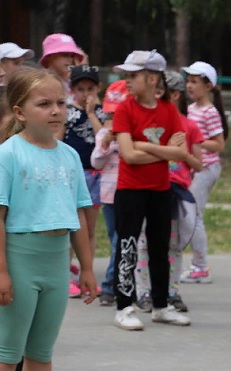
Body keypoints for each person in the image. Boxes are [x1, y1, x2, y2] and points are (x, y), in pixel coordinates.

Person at [0, 68, 97, 371]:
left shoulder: (70, 155)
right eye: (44, 104)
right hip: (20, 258)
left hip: (57, 262)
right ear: (20, 112)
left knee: (41, 351)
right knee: (8, 351)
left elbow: (80, 213)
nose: (56, 110)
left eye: (60, 102)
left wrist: (86, 268)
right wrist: (2, 272)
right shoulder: (8, 154)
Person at [110, 50, 191, 331]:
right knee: (128, 247)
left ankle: (161, 306)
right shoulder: (125, 109)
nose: (128, 81)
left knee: (159, 248)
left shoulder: (168, 110)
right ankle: (124, 306)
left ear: (152, 78)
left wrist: (144, 145)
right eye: (127, 75)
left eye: (133, 75)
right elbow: (128, 155)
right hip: (130, 190)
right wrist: (164, 151)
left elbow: (181, 153)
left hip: (160, 189)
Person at [133, 72, 204, 314]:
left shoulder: (189, 126)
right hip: (149, 186)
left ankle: (171, 292)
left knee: (173, 244)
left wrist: (181, 154)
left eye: (162, 94)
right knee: (145, 243)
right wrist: (163, 151)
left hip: (176, 191)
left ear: (174, 95)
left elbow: (198, 164)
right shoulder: (149, 122)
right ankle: (144, 292)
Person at [179, 61, 228, 284]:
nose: (189, 86)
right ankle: (195, 263)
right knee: (189, 215)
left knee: (194, 216)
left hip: (206, 168)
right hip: (194, 168)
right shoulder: (190, 110)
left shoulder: (210, 112)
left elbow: (219, 144)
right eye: (188, 81)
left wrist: (195, 141)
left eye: (195, 82)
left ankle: (200, 267)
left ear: (208, 86)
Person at [63, 64, 105, 299]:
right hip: (73, 174)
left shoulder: (102, 113)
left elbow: (104, 139)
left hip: (95, 175)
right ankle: (66, 275)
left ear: (98, 88)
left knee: (89, 228)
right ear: (73, 90)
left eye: (90, 88)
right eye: (80, 89)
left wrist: (91, 113)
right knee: (73, 226)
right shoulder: (67, 112)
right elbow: (59, 140)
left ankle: (86, 275)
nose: (85, 93)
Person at [90, 80, 128, 307]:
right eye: (109, 114)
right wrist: (104, 145)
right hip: (108, 194)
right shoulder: (103, 134)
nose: (112, 120)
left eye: (117, 114)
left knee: (122, 240)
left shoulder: (131, 134)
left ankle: (113, 285)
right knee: (115, 239)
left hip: (128, 192)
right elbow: (95, 163)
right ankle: (113, 284)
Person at [38, 34, 84, 99]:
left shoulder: (72, 83)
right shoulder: (40, 84)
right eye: (65, 55)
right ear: (49, 56)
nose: (70, 59)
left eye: (72, 56)